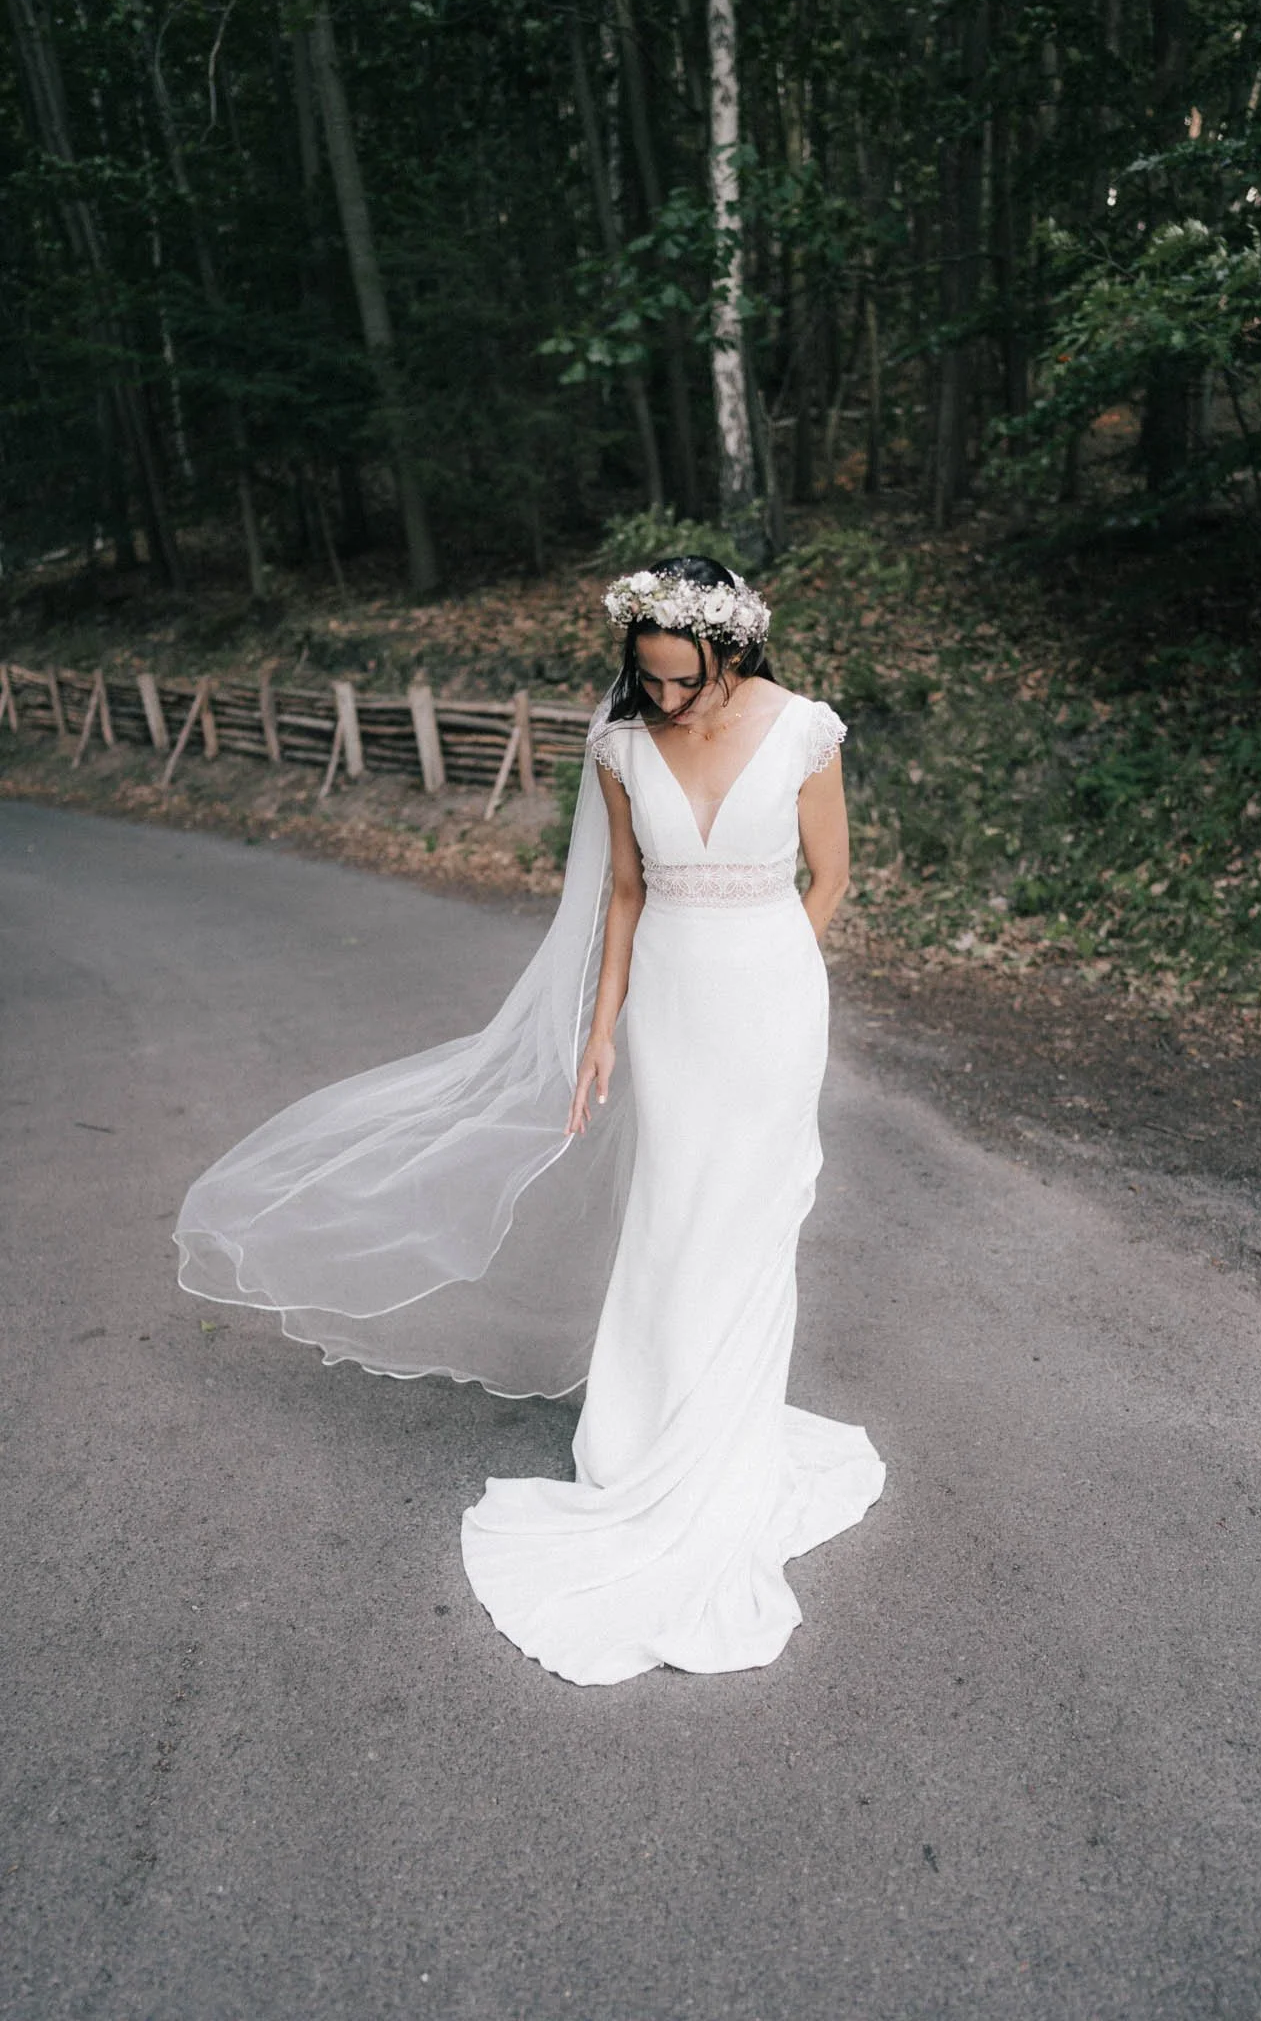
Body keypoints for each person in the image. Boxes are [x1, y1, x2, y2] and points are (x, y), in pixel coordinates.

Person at [175, 555, 884, 1687]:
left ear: (734, 651)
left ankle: (730, 1446)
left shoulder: (805, 730)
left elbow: (831, 878)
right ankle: (649, 1433)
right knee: (674, 1212)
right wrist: (602, 1028)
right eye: (646, 680)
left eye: (683, 680)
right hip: (670, 1003)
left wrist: (779, 976)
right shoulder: (618, 748)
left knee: (755, 1214)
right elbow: (626, 897)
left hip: (772, 997)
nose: (663, 699)